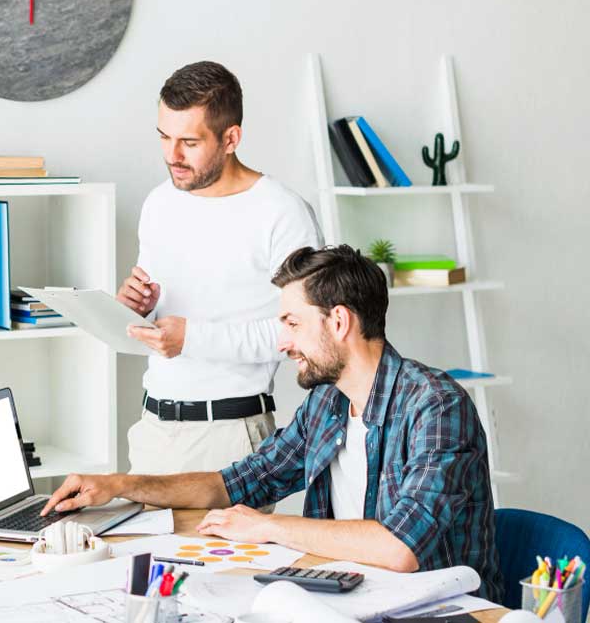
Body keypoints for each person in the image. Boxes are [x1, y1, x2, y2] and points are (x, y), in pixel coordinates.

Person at [49, 245, 504, 601]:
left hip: (433, 612)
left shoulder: (438, 407)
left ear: (339, 322)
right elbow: (237, 483)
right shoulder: (328, 402)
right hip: (347, 598)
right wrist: (119, 486)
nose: (283, 342)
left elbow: (399, 549)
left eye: (292, 322)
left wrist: (268, 527)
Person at [119, 61, 322, 476]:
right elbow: (161, 315)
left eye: (189, 142)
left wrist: (192, 338)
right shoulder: (160, 202)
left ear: (231, 138)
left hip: (231, 436)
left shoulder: (282, 213)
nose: (172, 156)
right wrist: (137, 306)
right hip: (153, 431)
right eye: (164, 137)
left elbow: (301, 332)